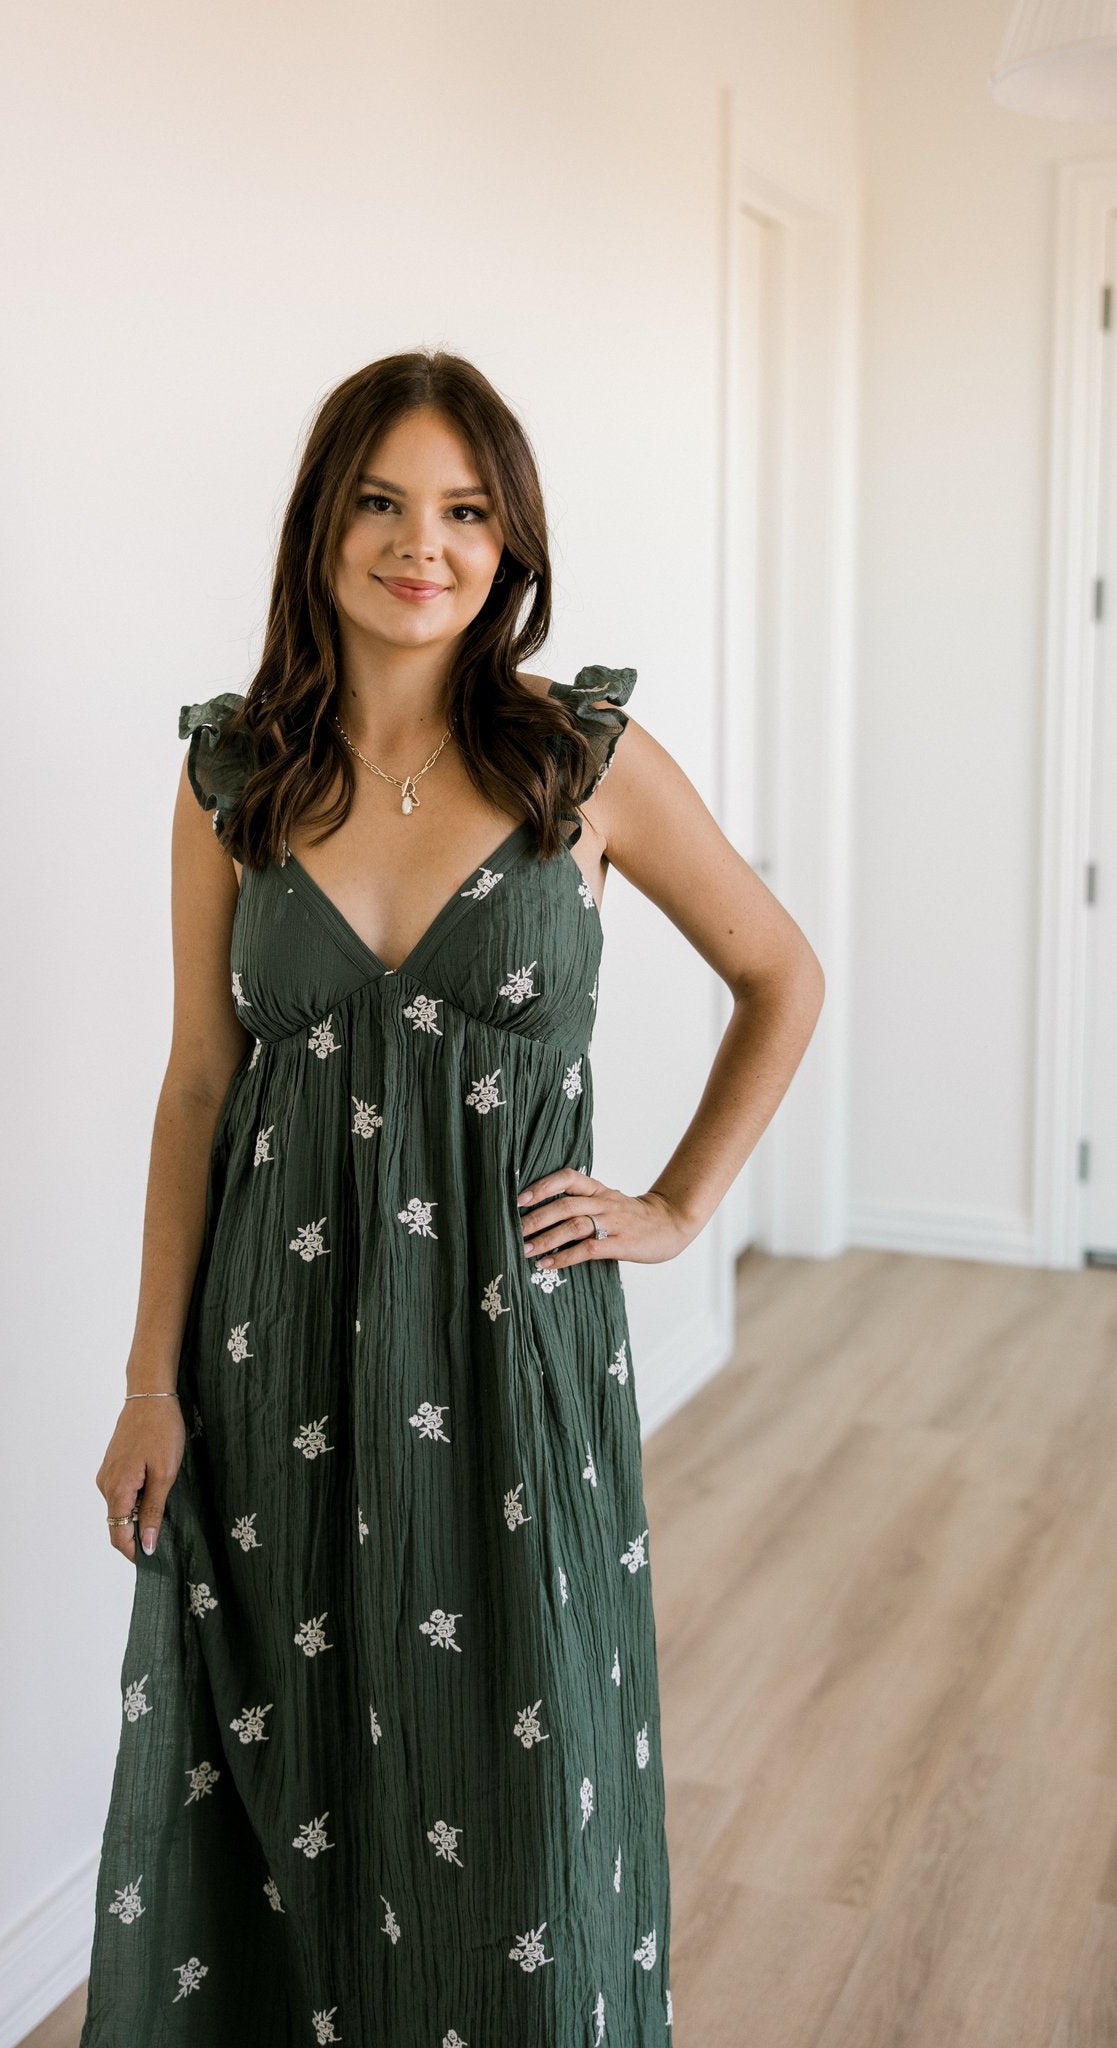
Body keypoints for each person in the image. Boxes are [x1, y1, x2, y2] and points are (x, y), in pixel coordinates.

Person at [78, 349, 823, 2046]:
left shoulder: (585, 764)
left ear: (510, 543)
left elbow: (779, 972)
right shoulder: (231, 779)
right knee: (285, 1794)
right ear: (323, 526)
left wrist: (678, 1204)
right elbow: (199, 1084)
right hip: (272, 1364)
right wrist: (145, 1379)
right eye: (385, 503)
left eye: (467, 511)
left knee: (523, 1820)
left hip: (514, 1365)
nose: (426, 545)